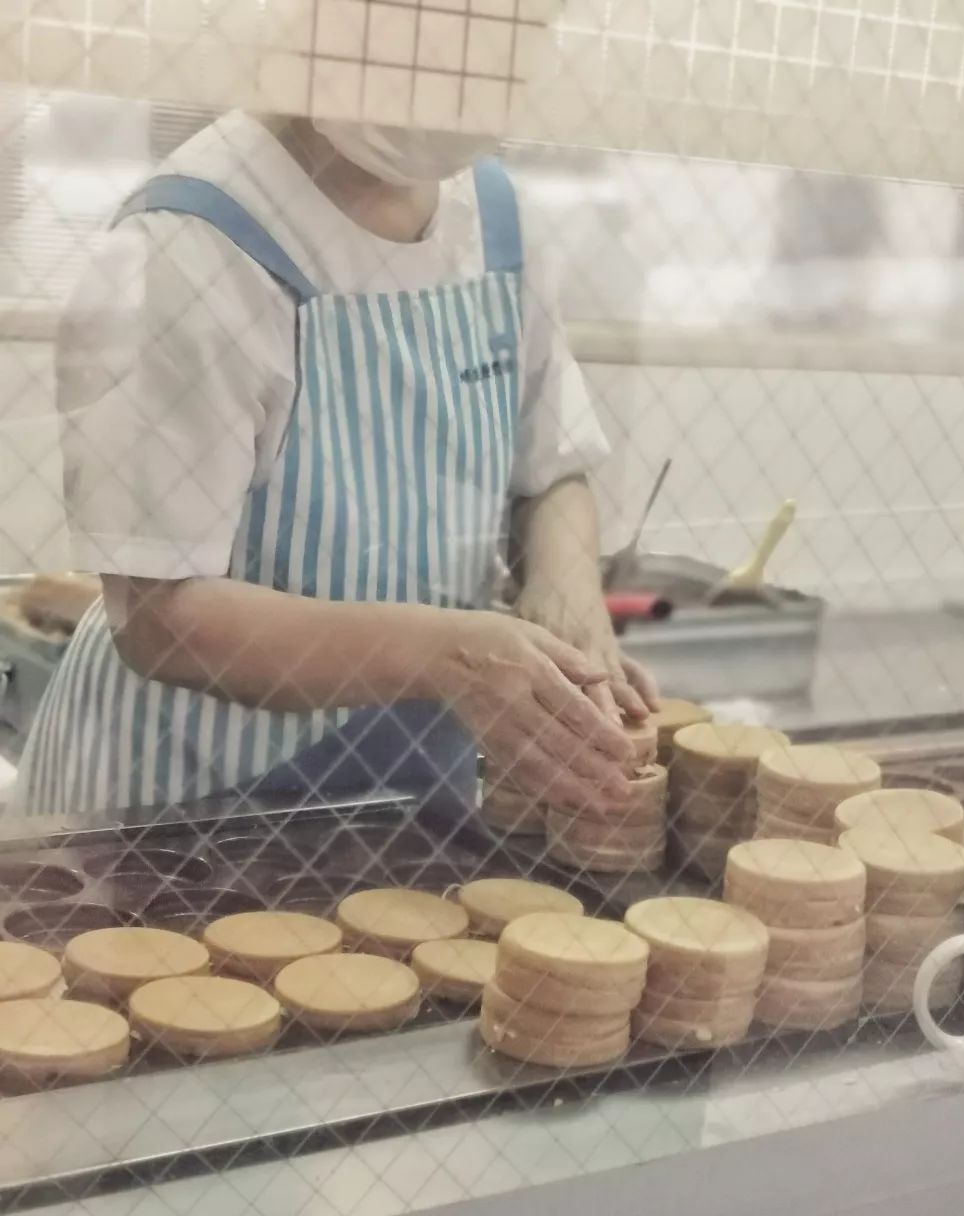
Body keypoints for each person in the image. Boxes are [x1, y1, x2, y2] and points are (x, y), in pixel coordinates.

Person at [12, 112, 657, 822]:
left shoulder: (497, 221)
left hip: (404, 792)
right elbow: (161, 617)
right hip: (173, 807)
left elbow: (552, 467)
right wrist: (450, 659)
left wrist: (566, 585)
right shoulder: (190, 243)